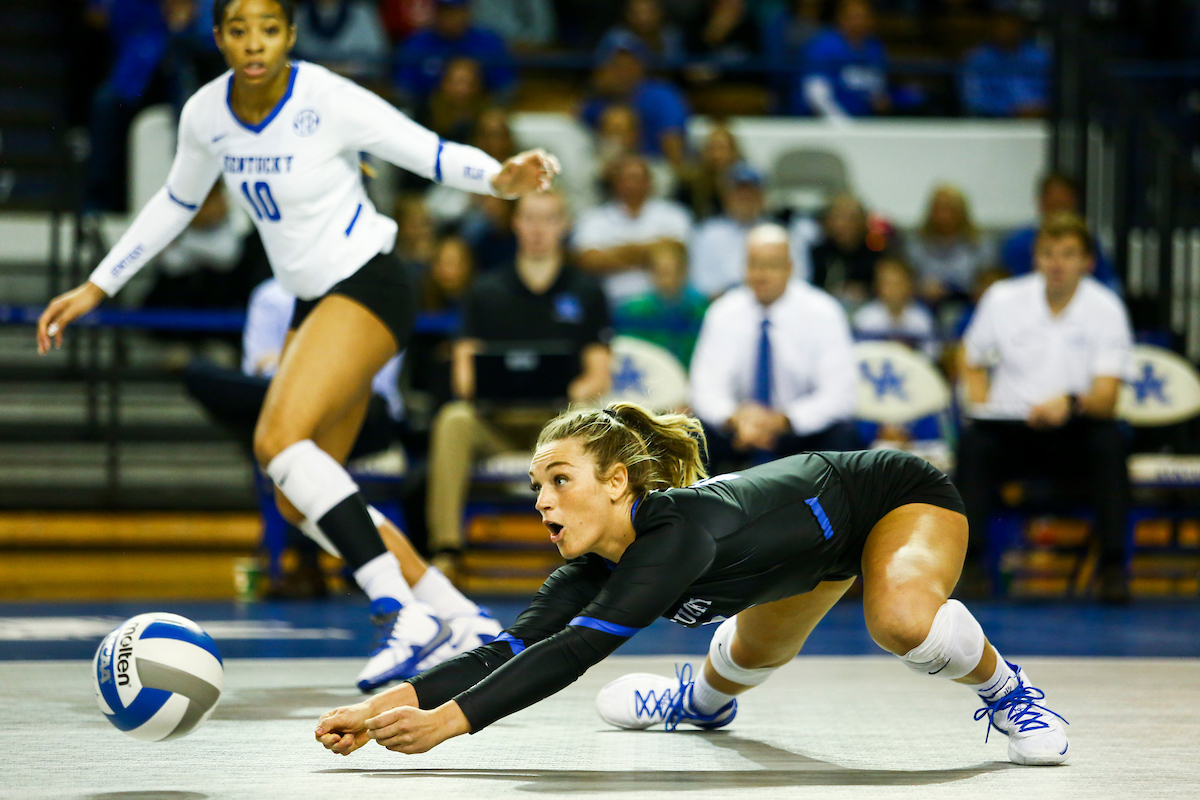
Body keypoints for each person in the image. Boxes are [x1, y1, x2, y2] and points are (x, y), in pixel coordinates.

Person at [38, 0, 558, 692]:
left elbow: (424, 149)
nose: (255, 43)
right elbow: (175, 203)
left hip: (371, 283)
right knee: (297, 494)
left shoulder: (327, 96)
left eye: (270, 28)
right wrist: (97, 285)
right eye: (239, 29)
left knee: (276, 442)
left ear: (289, 34)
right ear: (218, 36)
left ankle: (398, 611)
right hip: (315, 299)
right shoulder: (204, 115)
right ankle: (459, 617)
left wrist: (497, 177)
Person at [314, 401, 1071, 767]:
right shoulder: (592, 563)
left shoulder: (674, 534)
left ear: (617, 483)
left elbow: (577, 652)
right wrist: (385, 705)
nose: (542, 500)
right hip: (804, 554)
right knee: (746, 659)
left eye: (559, 480)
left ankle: (1008, 690)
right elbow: (506, 647)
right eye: (536, 485)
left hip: (888, 496)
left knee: (900, 621)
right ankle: (700, 705)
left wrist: (448, 724)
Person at [425, 191, 613, 561]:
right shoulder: (485, 290)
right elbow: (464, 378)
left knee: (592, 423)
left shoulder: (586, 291)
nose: (538, 229)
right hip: (496, 422)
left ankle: (590, 549)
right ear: (516, 224)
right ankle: (446, 551)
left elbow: (599, 375)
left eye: (548, 219)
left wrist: (563, 389)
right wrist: (492, 386)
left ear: (564, 225)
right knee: (453, 419)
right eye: (529, 218)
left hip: (558, 426)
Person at [956, 212, 1134, 603]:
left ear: (1087, 262)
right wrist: (979, 399)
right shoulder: (1002, 299)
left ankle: (1112, 567)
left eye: (1068, 254)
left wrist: (1069, 402)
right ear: (1035, 258)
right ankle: (969, 565)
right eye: (1048, 253)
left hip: (1075, 430)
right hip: (1011, 427)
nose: (1057, 263)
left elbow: (1107, 398)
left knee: (1110, 444)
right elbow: (969, 358)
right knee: (973, 444)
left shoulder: (1107, 310)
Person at [689, 224, 858, 470]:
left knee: (844, 436)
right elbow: (703, 389)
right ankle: (699, 509)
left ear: (790, 268)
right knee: (691, 436)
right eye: (754, 264)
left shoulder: (824, 312)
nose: (761, 275)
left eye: (772, 265)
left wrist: (784, 420)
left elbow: (839, 396)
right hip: (739, 429)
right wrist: (735, 418)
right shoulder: (722, 312)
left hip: (797, 430)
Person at [573, 153, 693, 307]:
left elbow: (677, 252)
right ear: (616, 183)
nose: (633, 184)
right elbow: (588, 261)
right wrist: (652, 252)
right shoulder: (593, 218)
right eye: (627, 178)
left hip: (664, 305)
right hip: (610, 303)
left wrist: (615, 253)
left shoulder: (674, 214)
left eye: (638, 178)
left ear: (649, 182)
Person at [580, 32, 690, 173]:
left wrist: (676, 179)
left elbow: (673, 145)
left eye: (630, 64)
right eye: (616, 65)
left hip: (656, 169)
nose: (623, 72)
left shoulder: (661, 97)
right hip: (612, 173)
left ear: (641, 66)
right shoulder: (596, 101)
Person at [1000, 172, 1117, 289]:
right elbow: (1009, 283)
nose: (1057, 265)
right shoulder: (1018, 243)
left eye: (1062, 205)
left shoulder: (1088, 239)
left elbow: (1108, 282)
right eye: (1047, 253)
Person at [393, 0, 515, 103]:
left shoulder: (489, 42)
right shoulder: (416, 43)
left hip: (480, 114)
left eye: (455, 11)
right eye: (444, 11)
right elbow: (403, 90)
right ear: (435, 12)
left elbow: (506, 88)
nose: (449, 17)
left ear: (467, 12)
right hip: (426, 114)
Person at [614, 239, 708, 367]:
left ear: (685, 271)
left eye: (674, 271)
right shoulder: (630, 312)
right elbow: (628, 356)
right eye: (661, 272)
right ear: (650, 273)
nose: (668, 279)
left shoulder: (703, 312)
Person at [790, 0, 890, 120]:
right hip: (826, 125)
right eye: (853, 16)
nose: (859, 22)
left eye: (864, 16)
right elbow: (816, 96)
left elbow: (878, 90)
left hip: (867, 123)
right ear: (840, 18)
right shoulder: (823, 46)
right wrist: (845, 127)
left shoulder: (874, 47)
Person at [687, 161, 773, 299]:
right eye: (739, 192)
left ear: (762, 196)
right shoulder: (708, 233)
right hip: (718, 305)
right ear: (726, 196)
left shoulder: (776, 233)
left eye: (751, 192)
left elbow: (797, 279)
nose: (745, 198)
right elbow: (699, 282)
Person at [904, 184, 996, 308]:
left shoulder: (980, 243)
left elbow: (989, 282)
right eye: (938, 209)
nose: (944, 216)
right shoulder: (916, 244)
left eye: (950, 209)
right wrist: (921, 287)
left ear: (962, 212)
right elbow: (904, 281)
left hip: (969, 305)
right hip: (926, 305)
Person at [959, 9, 1049, 118]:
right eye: (999, 24)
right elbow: (973, 99)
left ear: (1020, 26)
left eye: (1011, 23)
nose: (1005, 29)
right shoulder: (977, 59)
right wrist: (1010, 110)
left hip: (1044, 119)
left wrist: (1043, 107)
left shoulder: (1041, 56)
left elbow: (1059, 89)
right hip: (996, 123)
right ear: (991, 27)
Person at [852, 255, 939, 361]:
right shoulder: (865, 318)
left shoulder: (921, 319)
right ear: (877, 286)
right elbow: (859, 355)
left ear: (909, 285)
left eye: (897, 283)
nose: (892, 290)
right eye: (887, 284)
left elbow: (931, 356)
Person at [807, 193, 882, 309]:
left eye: (850, 218)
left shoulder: (876, 253)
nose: (842, 224)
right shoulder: (818, 253)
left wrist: (866, 291)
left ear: (862, 221)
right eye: (837, 218)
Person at [292, 0, 389, 81]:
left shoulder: (362, 13)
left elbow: (379, 61)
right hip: (311, 85)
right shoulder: (300, 14)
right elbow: (291, 60)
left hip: (358, 85)